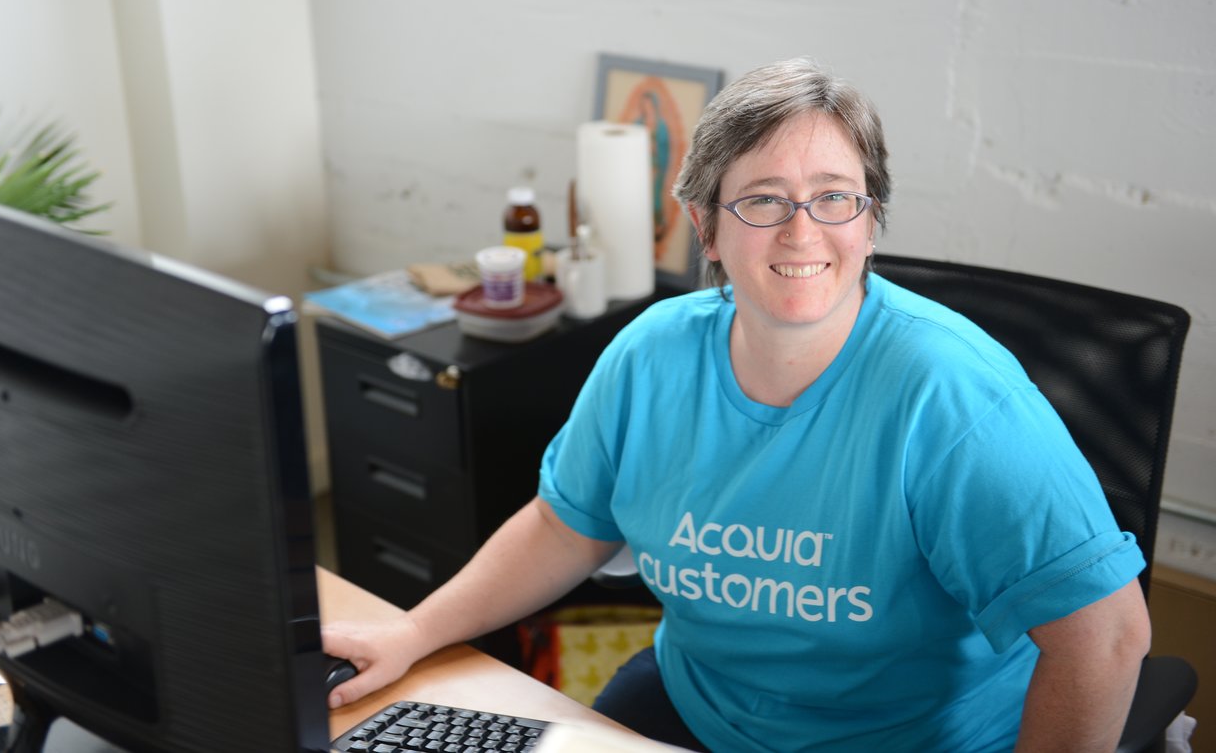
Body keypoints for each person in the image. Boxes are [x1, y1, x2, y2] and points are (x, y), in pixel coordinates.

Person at [322, 58, 1152, 752]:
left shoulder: (952, 394)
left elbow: (1106, 639)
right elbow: (565, 525)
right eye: (762, 199)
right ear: (705, 227)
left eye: (835, 196)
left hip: (899, 737)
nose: (801, 231)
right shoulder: (653, 355)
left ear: (869, 223)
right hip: (701, 705)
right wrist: (413, 633)